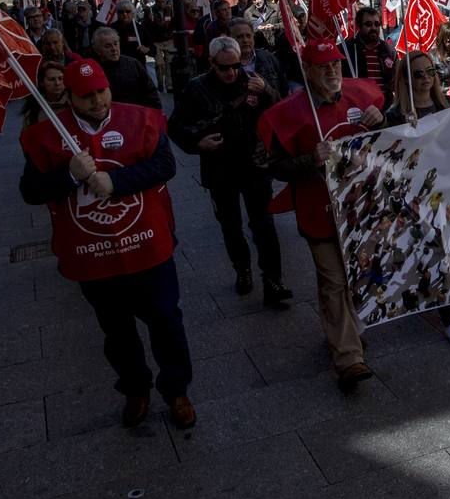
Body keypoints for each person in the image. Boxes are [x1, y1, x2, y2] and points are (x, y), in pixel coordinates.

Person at [18, 59, 196, 428]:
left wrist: (118, 182)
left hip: (148, 246)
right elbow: (31, 190)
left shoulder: (141, 120)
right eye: (87, 96)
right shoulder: (46, 135)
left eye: (101, 92)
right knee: (117, 330)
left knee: (166, 321)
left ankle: (177, 389)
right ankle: (135, 388)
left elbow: (164, 165)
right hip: (94, 257)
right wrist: (69, 174)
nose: (97, 101)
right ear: (69, 97)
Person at [257, 39, 385, 392]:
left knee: (351, 276)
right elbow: (275, 166)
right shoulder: (290, 113)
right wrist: (310, 159)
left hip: (360, 210)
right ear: (308, 70)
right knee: (333, 281)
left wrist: (383, 118)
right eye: (323, 66)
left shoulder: (361, 96)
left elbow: (386, 142)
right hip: (318, 212)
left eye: (336, 65)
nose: (332, 71)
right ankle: (348, 358)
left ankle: (347, 330)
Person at [169, 36, 292, 308]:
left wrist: (267, 90)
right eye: (224, 67)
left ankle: (273, 280)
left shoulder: (253, 82)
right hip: (220, 168)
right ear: (211, 63)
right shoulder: (196, 88)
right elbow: (176, 126)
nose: (231, 73)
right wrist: (197, 143)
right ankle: (242, 268)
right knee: (230, 224)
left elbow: (281, 110)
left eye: (236, 66)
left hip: (254, 165)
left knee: (264, 224)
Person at [384, 51, 450, 344]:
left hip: (448, 192)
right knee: (434, 254)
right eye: (418, 74)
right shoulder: (394, 115)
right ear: (405, 79)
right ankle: (446, 315)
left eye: (431, 71)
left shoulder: (445, 106)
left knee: (446, 252)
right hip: (415, 197)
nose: (426, 78)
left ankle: (446, 310)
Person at [92, 27, 161, 109]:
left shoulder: (133, 64)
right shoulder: (93, 70)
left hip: (135, 113)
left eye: (115, 44)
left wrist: (154, 113)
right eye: (107, 46)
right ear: (97, 50)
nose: (114, 49)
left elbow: (151, 93)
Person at [341, 6, 397, 99]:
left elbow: (395, 81)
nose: (373, 28)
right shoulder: (346, 50)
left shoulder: (389, 51)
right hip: (358, 104)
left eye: (377, 24)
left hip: (386, 105)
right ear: (359, 26)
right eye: (368, 24)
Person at [229, 16, 286, 99]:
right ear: (230, 38)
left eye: (248, 36)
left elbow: (283, 92)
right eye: (239, 37)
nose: (245, 40)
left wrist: (265, 88)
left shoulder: (269, 58)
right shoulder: (225, 65)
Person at [22, 60, 69, 129]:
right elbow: (27, 134)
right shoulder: (34, 110)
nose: (57, 83)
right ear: (42, 83)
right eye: (51, 79)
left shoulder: (75, 104)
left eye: (60, 78)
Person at [148, 0, 175, 93]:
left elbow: (172, 22)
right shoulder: (151, 11)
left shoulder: (169, 10)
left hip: (168, 39)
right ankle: (160, 82)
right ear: (156, 2)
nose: (162, 4)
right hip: (157, 40)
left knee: (169, 63)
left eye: (163, 2)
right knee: (159, 64)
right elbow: (151, 25)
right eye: (160, 2)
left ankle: (169, 85)